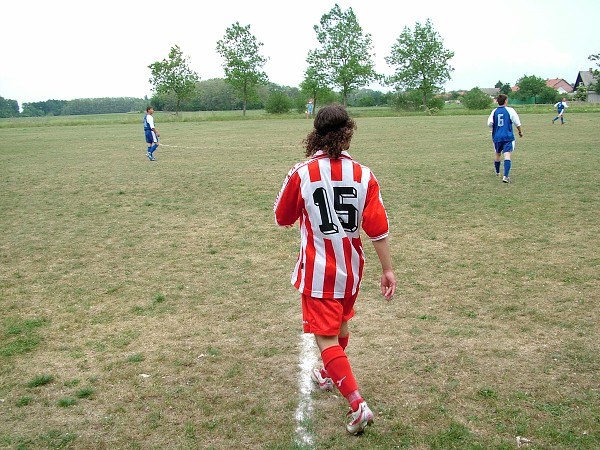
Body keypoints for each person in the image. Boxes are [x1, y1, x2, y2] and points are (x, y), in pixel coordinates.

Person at [274, 104, 397, 435]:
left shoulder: (301, 173)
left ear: (315, 133)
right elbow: (378, 228)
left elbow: (282, 218)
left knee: (326, 338)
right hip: (351, 271)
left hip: (319, 274)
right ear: (348, 133)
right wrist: (387, 270)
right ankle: (329, 374)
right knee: (340, 326)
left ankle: (357, 405)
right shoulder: (364, 175)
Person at [487, 94, 523, 183]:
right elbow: (517, 123)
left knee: (498, 154)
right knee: (507, 155)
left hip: (497, 136)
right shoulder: (510, 110)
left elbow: (489, 123)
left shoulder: (494, 111)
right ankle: (505, 176)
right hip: (507, 136)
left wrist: (495, 129)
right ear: (506, 101)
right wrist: (520, 131)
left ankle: (498, 172)